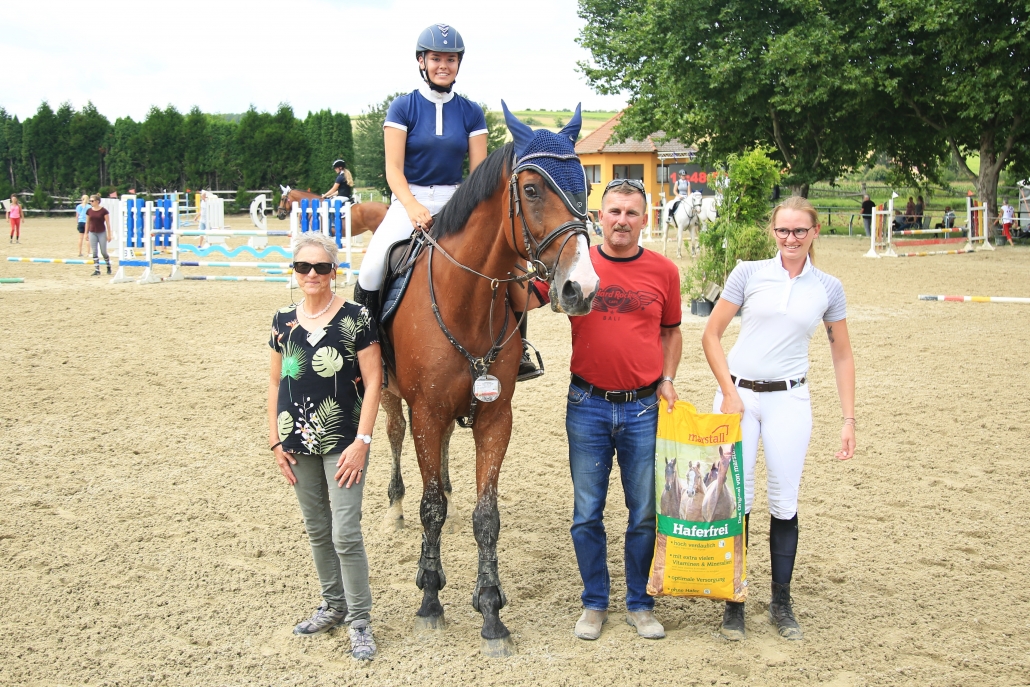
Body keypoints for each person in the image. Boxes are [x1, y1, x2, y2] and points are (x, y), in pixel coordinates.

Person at [530, 179, 682, 642]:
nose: (622, 220)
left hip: (642, 408)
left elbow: (672, 331)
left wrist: (668, 377)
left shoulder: (664, 271)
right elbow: (526, 296)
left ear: (644, 218)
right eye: (614, 211)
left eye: (631, 213)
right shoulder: (578, 262)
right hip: (587, 405)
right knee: (587, 512)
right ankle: (594, 602)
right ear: (600, 216)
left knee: (643, 513)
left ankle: (640, 602)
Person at [701, 195, 856, 643]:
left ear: (815, 232)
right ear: (773, 231)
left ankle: (781, 601)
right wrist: (729, 392)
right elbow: (711, 335)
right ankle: (735, 599)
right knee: (737, 500)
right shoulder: (748, 273)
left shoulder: (828, 287)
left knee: (784, 501)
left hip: (791, 399)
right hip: (738, 398)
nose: (791, 239)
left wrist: (849, 418)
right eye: (783, 230)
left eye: (800, 231)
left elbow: (841, 353)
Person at [267, 232, 382, 661]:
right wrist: (275, 439)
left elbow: (375, 382)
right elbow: (276, 382)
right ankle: (332, 605)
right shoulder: (282, 320)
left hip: (344, 441)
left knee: (345, 532)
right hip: (295, 440)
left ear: (335, 271)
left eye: (320, 267)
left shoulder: (356, 317)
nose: (311, 274)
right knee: (317, 529)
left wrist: (362, 442)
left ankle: (359, 619)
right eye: (303, 267)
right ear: (294, 273)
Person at [85, 195, 112, 276]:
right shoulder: (89, 211)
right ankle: (97, 269)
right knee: (94, 251)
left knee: (103, 251)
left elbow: (107, 223)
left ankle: (108, 265)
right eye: (90, 201)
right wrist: (86, 233)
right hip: (92, 232)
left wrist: (109, 234)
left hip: (101, 232)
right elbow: (87, 222)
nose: (91, 202)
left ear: (97, 201)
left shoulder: (104, 211)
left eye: (92, 201)